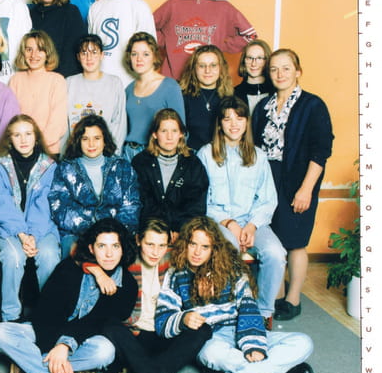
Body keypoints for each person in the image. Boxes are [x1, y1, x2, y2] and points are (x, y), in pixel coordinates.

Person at [155, 216, 315, 373]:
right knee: (211, 355)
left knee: (304, 342)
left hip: (243, 331)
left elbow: (249, 308)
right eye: (193, 244)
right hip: (212, 339)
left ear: (214, 248)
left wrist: (254, 346)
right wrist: (183, 319)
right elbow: (162, 321)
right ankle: (281, 368)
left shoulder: (231, 270)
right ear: (185, 244)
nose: (197, 252)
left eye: (205, 247)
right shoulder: (176, 275)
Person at [0, 218, 137, 373]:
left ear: (123, 249)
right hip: (46, 332)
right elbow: (45, 312)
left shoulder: (128, 285)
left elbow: (97, 323)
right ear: (91, 248)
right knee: (0, 332)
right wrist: (56, 347)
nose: (109, 254)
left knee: (105, 352)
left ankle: (28, 366)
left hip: (83, 339)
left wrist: (65, 346)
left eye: (115, 246)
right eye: (101, 246)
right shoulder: (70, 268)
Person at [251, 49, 334, 321]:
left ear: (298, 71)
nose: (280, 74)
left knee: (295, 242)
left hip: (298, 180)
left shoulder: (313, 105)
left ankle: (293, 299)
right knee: (273, 238)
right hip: (268, 179)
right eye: (274, 69)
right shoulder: (263, 106)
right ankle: (275, 297)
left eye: (286, 68)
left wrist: (306, 189)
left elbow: (321, 151)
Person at [99, 218, 210, 373]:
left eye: (161, 245)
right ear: (138, 240)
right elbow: (83, 257)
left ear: (169, 244)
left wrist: (207, 277)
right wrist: (98, 273)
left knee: (203, 329)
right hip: (134, 335)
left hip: (163, 332)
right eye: (149, 244)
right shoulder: (125, 259)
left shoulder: (174, 258)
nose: (155, 252)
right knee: (109, 325)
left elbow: (210, 255)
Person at [197, 96, 286, 327]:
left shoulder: (258, 156)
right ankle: (232, 310)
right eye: (227, 119)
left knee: (276, 254)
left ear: (246, 122)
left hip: (253, 222)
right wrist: (229, 224)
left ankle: (263, 312)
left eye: (239, 118)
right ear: (219, 124)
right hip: (219, 222)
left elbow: (268, 199)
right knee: (231, 248)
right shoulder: (206, 154)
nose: (233, 124)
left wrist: (252, 226)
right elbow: (200, 200)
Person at [0, 115, 60, 322]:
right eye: (17, 135)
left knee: (49, 255)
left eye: (28, 134)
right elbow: (0, 203)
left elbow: (44, 205)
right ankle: (10, 316)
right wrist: (21, 234)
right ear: (9, 139)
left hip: (42, 228)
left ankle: (49, 315)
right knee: (13, 257)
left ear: (36, 137)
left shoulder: (49, 166)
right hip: (7, 228)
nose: (23, 140)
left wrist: (33, 236)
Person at [154, 0, 257, 80]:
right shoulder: (173, 4)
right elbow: (146, 27)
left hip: (208, 81)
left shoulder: (223, 6)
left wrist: (221, 45)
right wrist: (167, 42)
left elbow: (250, 35)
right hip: (175, 80)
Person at [49, 114, 141, 258]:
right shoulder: (66, 169)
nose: (91, 144)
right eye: (85, 139)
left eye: (97, 138)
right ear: (78, 141)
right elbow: (60, 208)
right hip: (77, 233)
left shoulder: (122, 167)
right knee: (75, 257)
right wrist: (93, 232)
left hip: (115, 233)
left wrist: (110, 233)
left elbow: (131, 206)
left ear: (105, 140)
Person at [131, 108, 208, 241]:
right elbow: (140, 203)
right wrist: (161, 230)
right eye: (164, 131)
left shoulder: (193, 164)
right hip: (150, 231)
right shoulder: (140, 162)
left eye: (174, 131)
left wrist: (180, 229)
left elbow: (196, 206)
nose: (169, 137)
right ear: (155, 134)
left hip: (183, 232)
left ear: (181, 134)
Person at [87, 0, 156, 89]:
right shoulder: (95, 8)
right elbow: (92, 52)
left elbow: (150, 52)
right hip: (100, 86)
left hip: (130, 86)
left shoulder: (139, 6)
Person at [123, 32, 186, 160]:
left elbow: (181, 130)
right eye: (134, 54)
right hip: (128, 153)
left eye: (145, 54)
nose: (139, 59)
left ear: (154, 57)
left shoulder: (170, 86)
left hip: (156, 153)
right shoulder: (129, 89)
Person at [8, 30, 68, 156]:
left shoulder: (57, 80)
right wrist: (22, 144)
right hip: (20, 150)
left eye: (40, 50)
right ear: (23, 53)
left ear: (47, 53)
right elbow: (11, 118)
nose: (33, 55)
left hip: (48, 151)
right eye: (29, 49)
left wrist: (36, 145)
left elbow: (58, 123)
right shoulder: (15, 80)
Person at [66, 34, 127, 151]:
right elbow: (63, 124)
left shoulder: (114, 83)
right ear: (78, 57)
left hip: (106, 154)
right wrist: (67, 155)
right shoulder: (69, 83)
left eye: (94, 52)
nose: (89, 58)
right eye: (84, 53)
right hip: (75, 154)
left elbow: (119, 124)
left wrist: (112, 155)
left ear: (102, 55)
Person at [28, 0, 86, 78]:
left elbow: (73, 56)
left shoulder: (70, 12)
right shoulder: (30, 14)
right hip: (35, 79)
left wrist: (56, 81)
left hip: (63, 79)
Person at [180, 44, 233, 152]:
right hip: (191, 155)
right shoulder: (182, 97)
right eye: (202, 66)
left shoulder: (230, 98)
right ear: (194, 68)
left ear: (221, 68)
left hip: (222, 154)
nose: (207, 71)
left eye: (213, 65)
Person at [234, 39, 275, 113]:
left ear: (267, 60)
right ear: (243, 61)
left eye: (259, 58)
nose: (253, 64)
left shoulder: (276, 92)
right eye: (250, 58)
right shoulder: (233, 94)